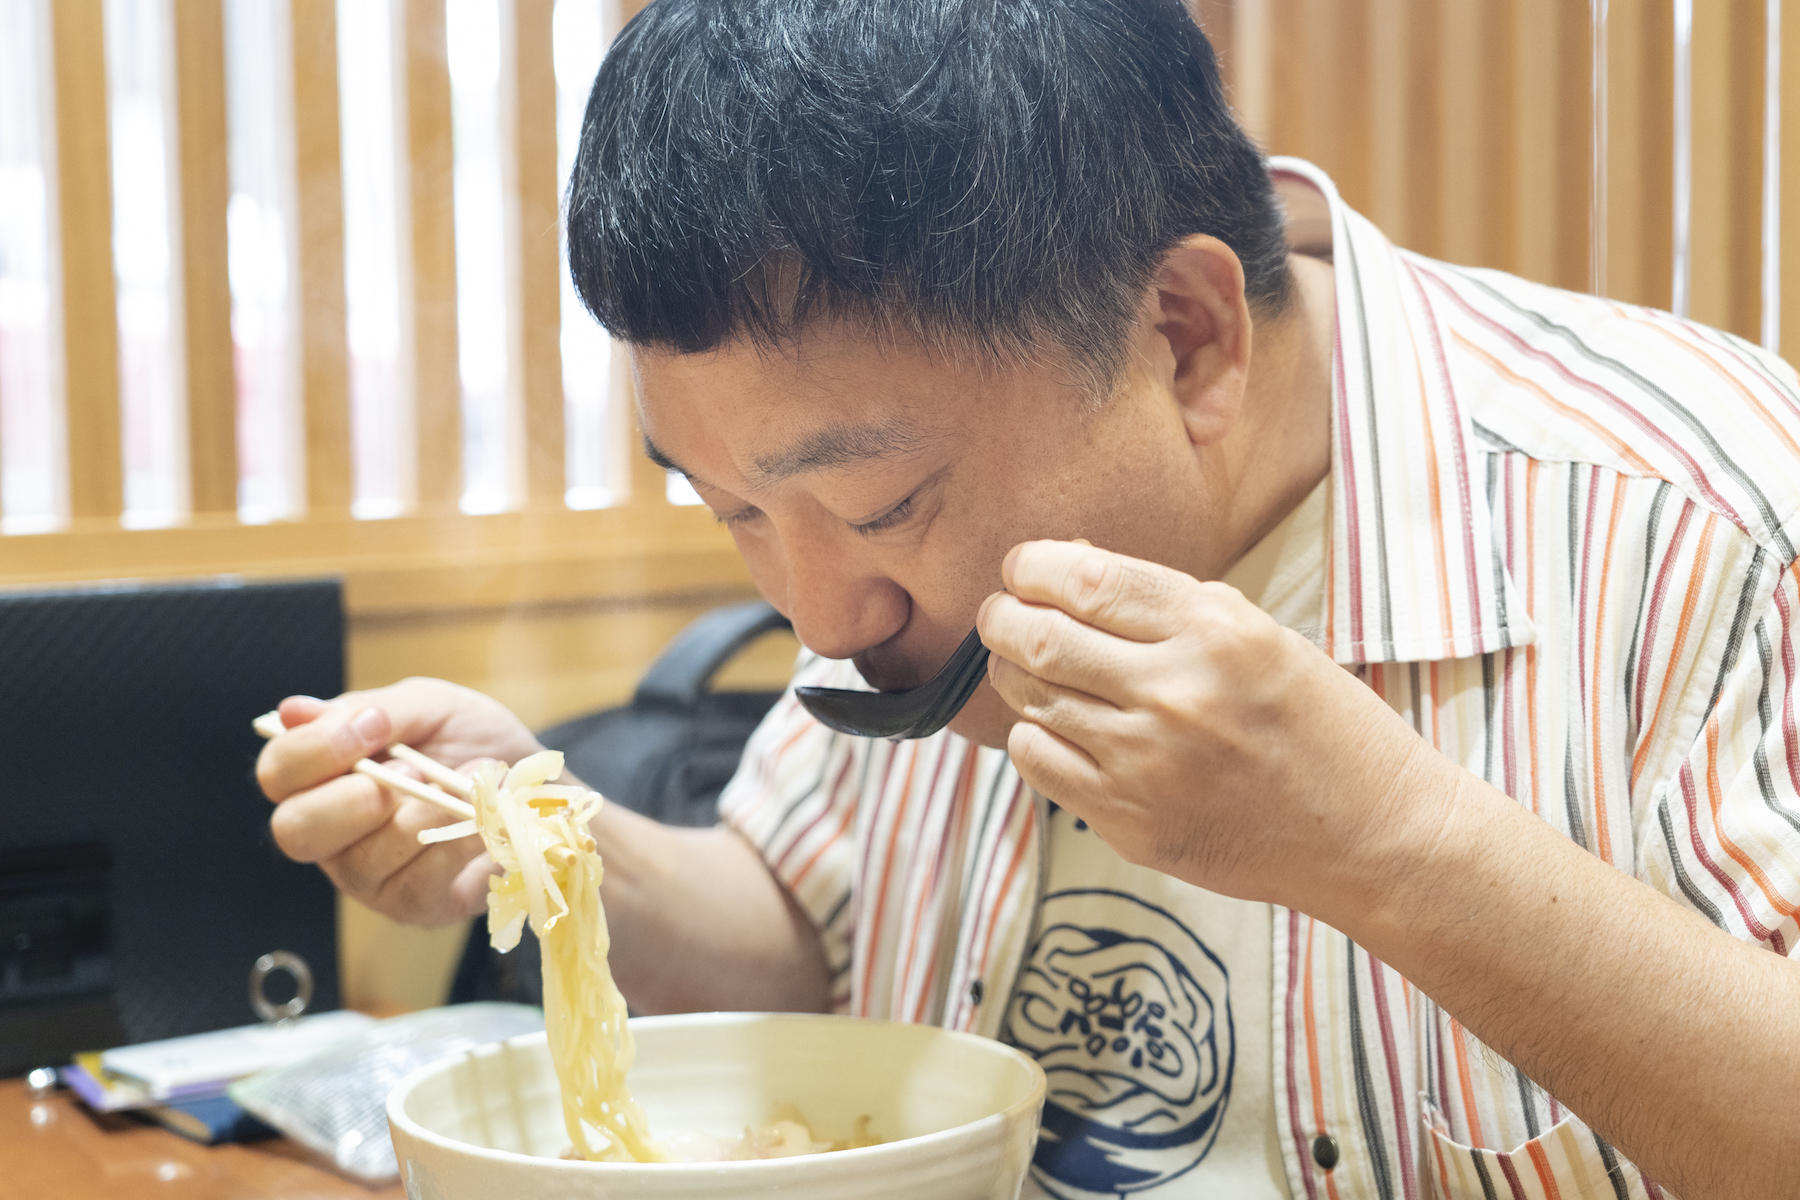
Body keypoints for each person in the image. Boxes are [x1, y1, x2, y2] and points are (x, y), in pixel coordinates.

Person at [255, 2, 1800, 1197]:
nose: (822, 618)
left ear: (1185, 339)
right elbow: (806, 936)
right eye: (729, 508)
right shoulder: (874, 589)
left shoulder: (1692, 515)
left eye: (881, 508)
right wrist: (538, 840)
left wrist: (1382, 839)